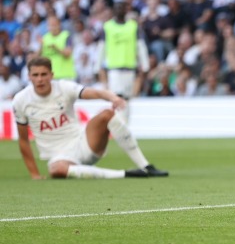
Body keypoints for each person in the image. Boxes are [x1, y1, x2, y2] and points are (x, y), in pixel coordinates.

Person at [12, 57, 168, 180]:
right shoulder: (21, 100)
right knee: (57, 170)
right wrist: (34, 174)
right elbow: (23, 140)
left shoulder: (64, 88)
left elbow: (95, 92)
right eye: (35, 75)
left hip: (84, 144)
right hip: (58, 156)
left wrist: (113, 98)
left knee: (107, 114)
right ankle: (126, 174)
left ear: (51, 75)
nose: (40, 79)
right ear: (29, 77)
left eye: (44, 74)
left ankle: (146, 166)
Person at [97, 2, 150, 121]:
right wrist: (98, 66)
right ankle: (119, 123)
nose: (119, 11)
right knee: (116, 96)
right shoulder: (108, 27)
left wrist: (145, 65)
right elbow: (101, 48)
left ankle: (125, 122)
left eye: (122, 8)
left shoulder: (133, 26)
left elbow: (140, 46)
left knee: (127, 98)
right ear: (113, 11)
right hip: (114, 69)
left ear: (126, 11)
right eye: (117, 8)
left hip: (129, 68)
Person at [39, 15, 76, 81]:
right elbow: (39, 57)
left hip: (65, 76)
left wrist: (56, 48)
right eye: (50, 25)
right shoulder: (45, 38)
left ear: (59, 25)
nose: (52, 27)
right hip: (50, 76)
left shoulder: (66, 36)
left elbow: (68, 53)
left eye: (54, 25)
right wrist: (40, 46)